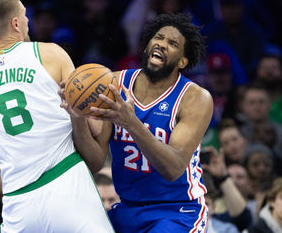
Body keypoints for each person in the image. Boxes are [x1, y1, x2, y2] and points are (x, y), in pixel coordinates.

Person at [0, 0, 113, 232]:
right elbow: (94, 126)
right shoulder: (49, 54)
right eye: (25, 15)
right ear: (15, 23)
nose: (28, 21)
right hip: (65, 184)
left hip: (17, 202)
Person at [60, 13, 213, 232]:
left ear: (183, 61)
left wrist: (132, 124)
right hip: (127, 209)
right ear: (147, 46)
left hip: (177, 211)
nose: (161, 44)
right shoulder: (113, 84)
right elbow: (94, 162)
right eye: (158, 37)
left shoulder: (195, 98)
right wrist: (77, 118)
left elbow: (173, 168)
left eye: (172, 43)